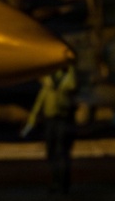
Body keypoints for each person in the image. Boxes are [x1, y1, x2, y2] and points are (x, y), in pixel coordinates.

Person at [21, 64, 79, 193]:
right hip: (50, 122)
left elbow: (72, 85)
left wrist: (69, 69)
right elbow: (39, 104)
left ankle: (63, 184)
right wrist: (30, 123)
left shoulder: (66, 82)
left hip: (64, 120)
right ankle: (56, 182)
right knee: (52, 152)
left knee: (61, 152)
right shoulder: (47, 86)